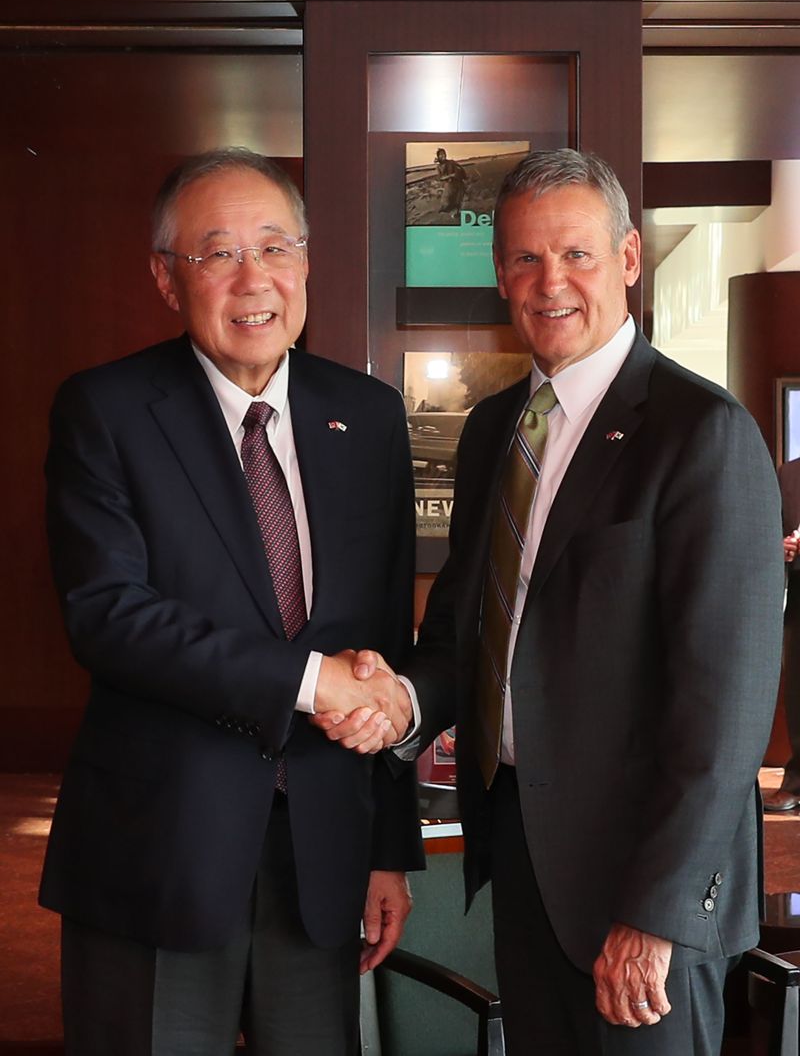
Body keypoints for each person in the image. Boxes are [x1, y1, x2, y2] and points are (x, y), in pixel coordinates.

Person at [318, 148, 786, 1054]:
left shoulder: (703, 432)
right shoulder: (499, 427)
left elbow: (723, 712)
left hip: (643, 884)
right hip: (527, 856)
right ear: (499, 275)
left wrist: (654, 912)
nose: (550, 281)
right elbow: (467, 625)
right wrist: (404, 698)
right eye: (526, 259)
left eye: (575, 254)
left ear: (627, 260)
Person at [41, 146, 423, 1056]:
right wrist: (307, 681)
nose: (254, 278)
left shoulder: (365, 415)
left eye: (275, 246)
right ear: (166, 278)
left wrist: (389, 847)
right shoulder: (107, 409)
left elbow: (381, 640)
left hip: (323, 855)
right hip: (156, 855)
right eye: (216, 252)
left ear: (305, 262)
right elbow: (109, 614)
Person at [763, 455, 800, 811]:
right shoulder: (788, 474)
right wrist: (782, 549)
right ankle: (797, 781)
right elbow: (768, 531)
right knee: (798, 694)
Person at [435, 147, 467, 218]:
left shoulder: (451, 162)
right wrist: (450, 175)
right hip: (449, 185)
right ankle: (452, 213)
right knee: (449, 200)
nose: (443, 155)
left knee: (458, 199)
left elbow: (460, 169)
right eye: (441, 154)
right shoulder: (438, 167)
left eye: (444, 154)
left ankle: (457, 213)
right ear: (438, 156)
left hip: (459, 183)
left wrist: (462, 176)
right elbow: (440, 178)